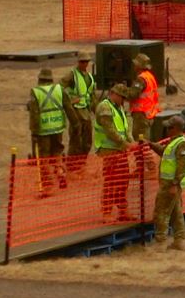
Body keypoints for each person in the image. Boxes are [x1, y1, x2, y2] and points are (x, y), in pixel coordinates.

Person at [94, 84, 139, 221]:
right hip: (109, 149)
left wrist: (131, 142)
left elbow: (125, 129)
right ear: (114, 93)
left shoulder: (119, 108)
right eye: (122, 97)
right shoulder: (105, 107)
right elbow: (110, 130)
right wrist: (126, 144)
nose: (123, 100)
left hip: (120, 149)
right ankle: (106, 212)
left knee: (123, 180)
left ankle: (122, 210)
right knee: (111, 181)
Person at [149, 118, 185, 250]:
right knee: (175, 212)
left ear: (176, 128)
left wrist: (175, 184)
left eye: (169, 128)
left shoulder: (180, 143)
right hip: (170, 183)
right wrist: (151, 145)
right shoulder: (174, 142)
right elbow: (164, 152)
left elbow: (181, 166)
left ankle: (160, 242)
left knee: (161, 211)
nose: (167, 130)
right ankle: (179, 241)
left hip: (170, 184)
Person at [26, 69, 68, 194]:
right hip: (57, 127)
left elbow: (34, 115)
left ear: (40, 79)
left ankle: (47, 185)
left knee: (43, 157)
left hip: (43, 130)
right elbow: (68, 107)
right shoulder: (58, 90)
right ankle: (61, 173)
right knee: (57, 152)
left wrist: (34, 131)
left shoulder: (36, 92)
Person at [64, 52, 97, 159]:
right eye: (82, 61)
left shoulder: (89, 77)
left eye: (86, 61)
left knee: (87, 140)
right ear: (78, 62)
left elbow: (92, 94)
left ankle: (82, 162)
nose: (85, 64)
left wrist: (96, 110)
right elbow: (60, 86)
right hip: (76, 111)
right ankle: (73, 164)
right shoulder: (72, 75)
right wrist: (70, 100)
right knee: (75, 140)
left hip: (86, 111)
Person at [125, 53, 161, 140]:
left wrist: (122, 92)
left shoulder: (141, 79)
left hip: (141, 114)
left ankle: (141, 153)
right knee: (145, 137)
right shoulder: (150, 76)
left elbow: (133, 95)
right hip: (150, 112)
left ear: (139, 66)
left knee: (140, 138)